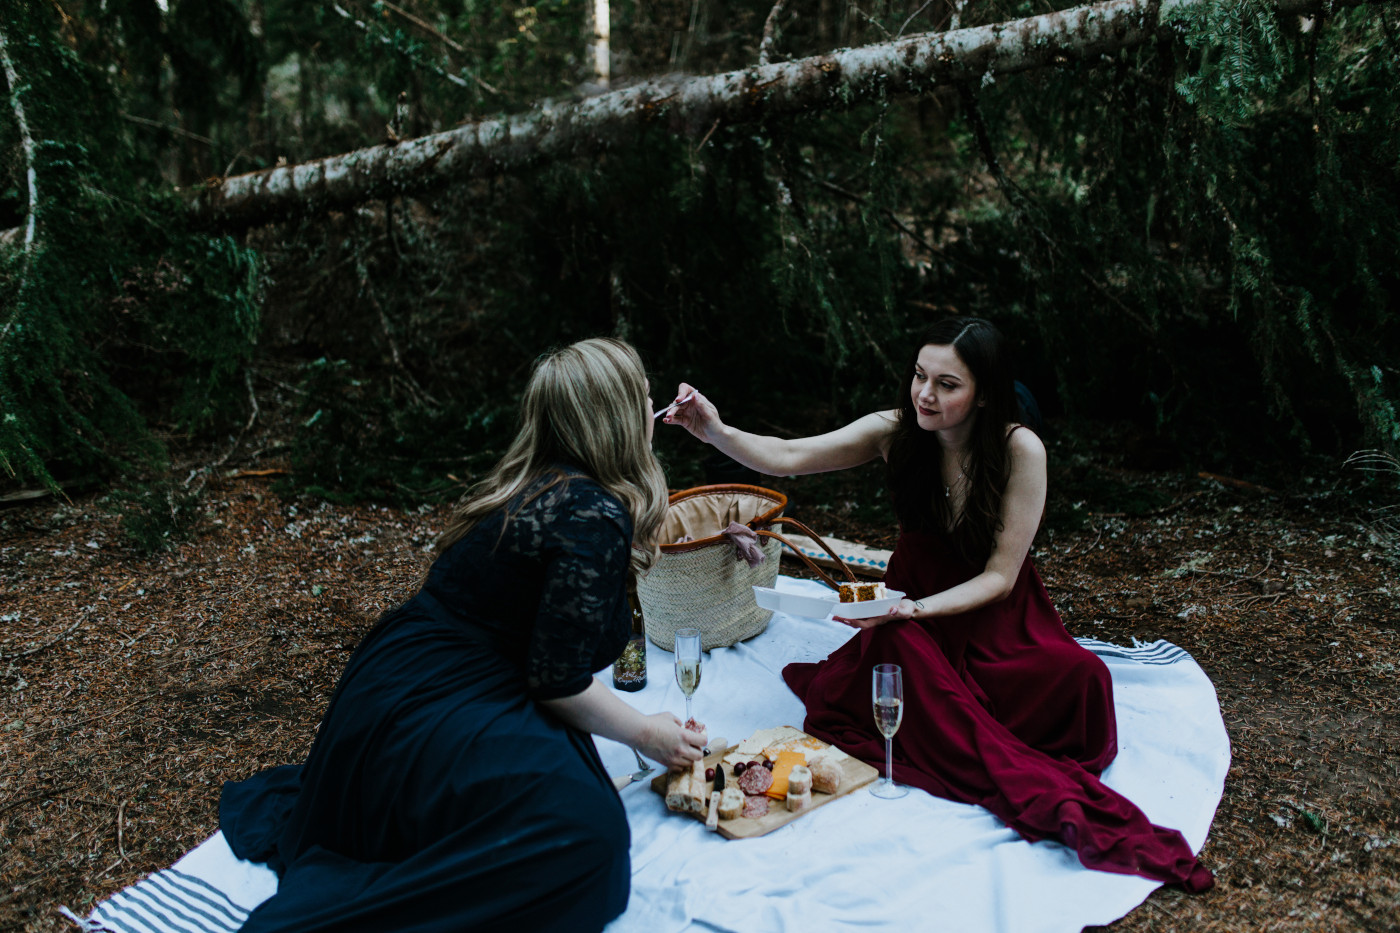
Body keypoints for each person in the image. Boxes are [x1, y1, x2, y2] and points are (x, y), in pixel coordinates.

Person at [664, 317, 1213, 892]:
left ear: (984, 394)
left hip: (995, 615)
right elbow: (787, 454)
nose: (926, 394)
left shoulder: (1019, 449)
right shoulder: (894, 431)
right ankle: (979, 731)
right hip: (910, 616)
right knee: (899, 653)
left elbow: (1001, 577)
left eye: (948, 384)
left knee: (1085, 682)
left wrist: (913, 609)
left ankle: (969, 710)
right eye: (921, 376)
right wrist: (716, 430)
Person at [219, 338, 708, 933]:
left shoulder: (535, 484)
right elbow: (554, 681)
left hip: (393, 680)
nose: (651, 406)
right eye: (642, 396)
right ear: (616, 418)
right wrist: (648, 733)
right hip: (437, 704)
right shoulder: (592, 512)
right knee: (590, 840)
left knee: (561, 793)